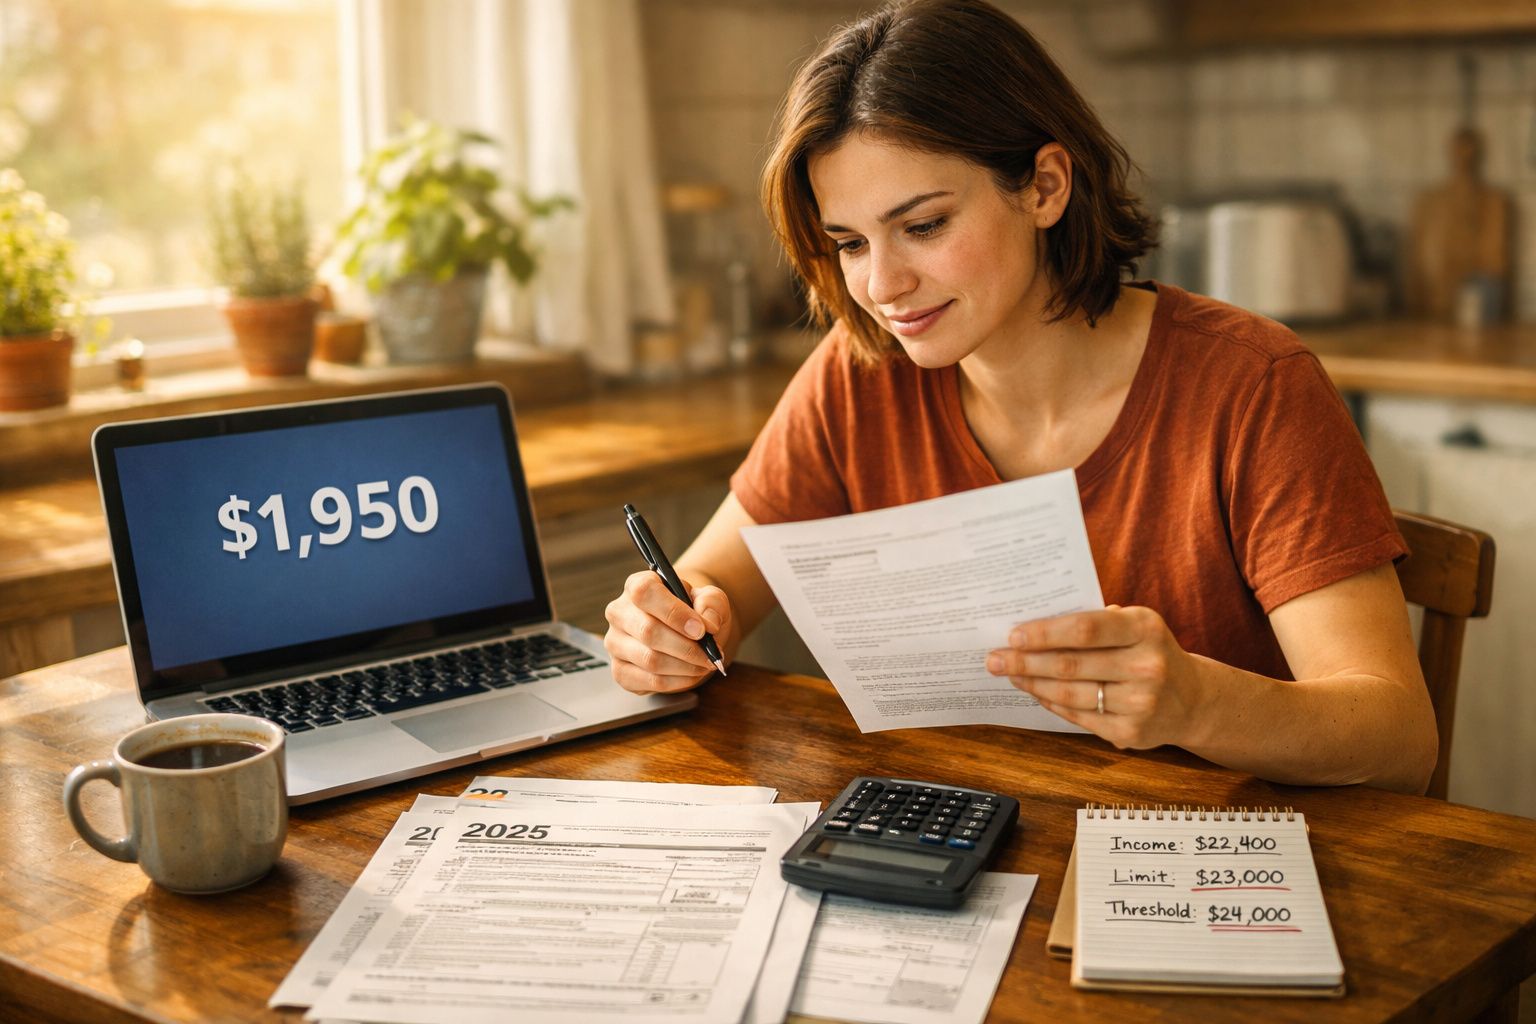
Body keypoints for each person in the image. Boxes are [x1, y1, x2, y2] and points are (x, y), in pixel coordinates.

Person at [604, 0, 1436, 794]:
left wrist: (1195, 702)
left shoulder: (1250, 385)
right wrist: (669, 629)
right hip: (959, 848)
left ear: (1043, 187)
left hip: (1203, 872)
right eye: (851, 243)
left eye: (924, 225)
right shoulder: (859, 373)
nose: (882, 286)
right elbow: (714, 582)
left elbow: (1398, 740)